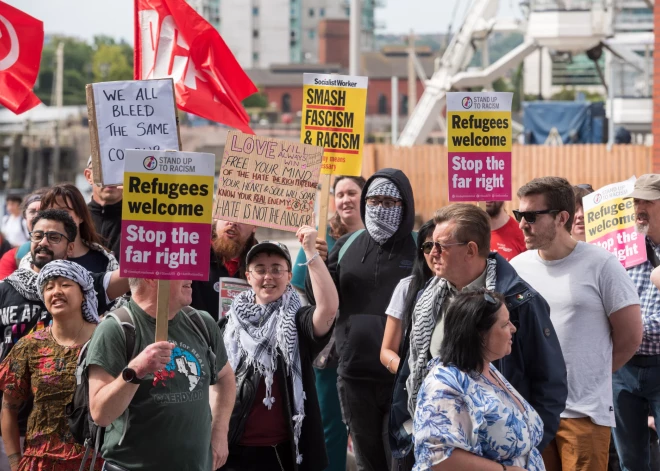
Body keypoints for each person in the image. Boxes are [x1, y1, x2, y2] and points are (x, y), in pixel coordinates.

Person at [400, 204, 566, 456]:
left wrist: (523, 449)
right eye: (428, 246)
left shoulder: (519, 301)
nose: (431, 253)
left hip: (501, 453)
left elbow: (549, 382)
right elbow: (412, 369)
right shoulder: (428, 298)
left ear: (471, 250)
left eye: (441, 246)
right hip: (441, 448)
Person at [510, 176, 642, 471]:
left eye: (531, 216)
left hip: (584, 411)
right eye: (520, 215)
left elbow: (630, 336)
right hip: (531, 410)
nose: (522, 224)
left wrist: (591, 372)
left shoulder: (602, 264)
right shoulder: (518, 267)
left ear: (562, 218)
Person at [308, 169, 417, 471]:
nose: (380, 208)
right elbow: (322, 300)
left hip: (403, 380)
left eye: (389, 202)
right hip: (355, 378)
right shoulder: (347, 246)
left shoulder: (422, 250)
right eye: (373, 200)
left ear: (405, 205)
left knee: (403, 463)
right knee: (369, 465)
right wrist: (315, 263)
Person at [220, 226, 339, 471]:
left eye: (276, 269)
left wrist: (310, 253)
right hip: (233, 449)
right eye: (260, 269)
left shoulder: (299, 321)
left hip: (283, 452)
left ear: (287, 275)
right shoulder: (227, 325)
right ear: (248, 276)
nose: (268, 277)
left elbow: (328, 309)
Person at [86, 277, 236, 471]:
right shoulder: (116, 328)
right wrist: (137, 370)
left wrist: (219, 432)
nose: (190, 278)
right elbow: (101, 414)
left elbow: (225, 377)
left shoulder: (201, 323)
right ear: (152, 278)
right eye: (179, 271)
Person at [413, 289, 545, 471]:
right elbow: (439, 458)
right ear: (480, 336)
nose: (513, 329)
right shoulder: (443, 385)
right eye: (505, 324)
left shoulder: (486, 369)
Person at [291, 175, 365, 471]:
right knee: (330, 429)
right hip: (329, 354)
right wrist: (315, 260)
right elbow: (299, 299)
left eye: (352, 193)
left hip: (371, 351)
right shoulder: (319, 239)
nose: (345, 199)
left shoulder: (383, 240)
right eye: (339, 193)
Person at [0, 260, 102, 471]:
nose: (56, 291)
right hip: (39, 463)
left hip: (95, 462)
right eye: (48, 287)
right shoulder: (30, 345)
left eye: (65, 284)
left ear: (83, 292)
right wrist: (14, 463)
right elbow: (8, 408)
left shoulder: (107, 338)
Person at [612, 174, 660, 470]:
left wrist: (629, 329)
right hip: (623, 367)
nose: (639, 208)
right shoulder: (621, 249)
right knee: (629, 460)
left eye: (647, 201)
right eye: (635, 201)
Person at [37, 184, 118, 274]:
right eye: (50, 212)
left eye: (64, 212)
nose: (56, 217)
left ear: (80, 216)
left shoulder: (104, 261)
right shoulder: (36, 259)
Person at [191, 219, 257, 321]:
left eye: (243, 217)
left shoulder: (261, 264)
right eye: (227, 213)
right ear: (216, 218)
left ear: (255, 226)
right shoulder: (191, 253)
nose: (233, 222)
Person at [0, 190, 45, 280]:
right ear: (26, 215)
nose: (37, 216)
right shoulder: (6, 219)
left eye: (12, 204)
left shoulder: (22, 222)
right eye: (32, 211)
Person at [84, 156, 123, 256]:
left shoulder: (139, 221)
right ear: (89, 176)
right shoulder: (77, 217)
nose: (111, 178)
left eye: (119, 171)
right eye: (103, 170)